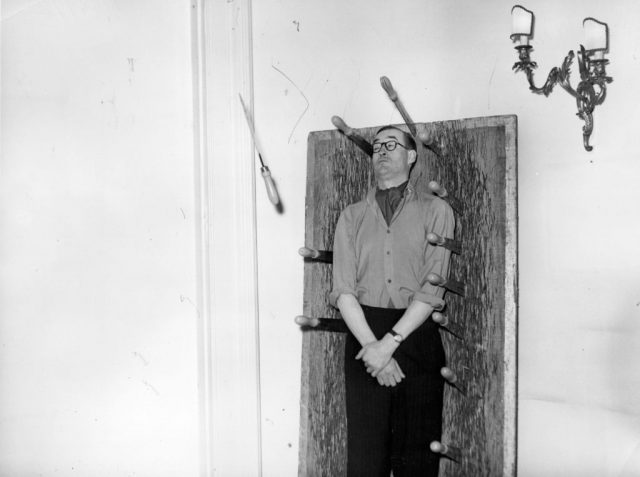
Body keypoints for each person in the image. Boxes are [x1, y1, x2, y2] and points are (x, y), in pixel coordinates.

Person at [329, 125, 455, 476]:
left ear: (411, 156)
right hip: (364, 337)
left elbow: (431, 290)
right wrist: (374, 348)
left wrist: (391, 344)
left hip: (416, 336)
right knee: (366, 459)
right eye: (377, 147)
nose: (382, 151)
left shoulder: (437, 210)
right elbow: (344, 291)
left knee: (417, 460)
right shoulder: (351, 216)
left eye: (391, 144)